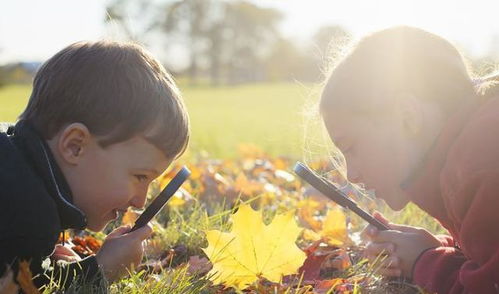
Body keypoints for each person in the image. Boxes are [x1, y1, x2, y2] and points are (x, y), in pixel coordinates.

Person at [319, 26, 499, 293]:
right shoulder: (470, 147)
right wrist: (443, 249)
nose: (351, 175)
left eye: (351, 147)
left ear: (407, 116)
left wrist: (425, 261)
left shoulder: (478, 164)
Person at [0, 40, 190, 291]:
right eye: (140, 176)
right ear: (75, 146)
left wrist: (39, 259)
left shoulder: (16, 162)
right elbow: (24, 287)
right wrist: (100, 269)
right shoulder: (27, 214)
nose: (140, 201)